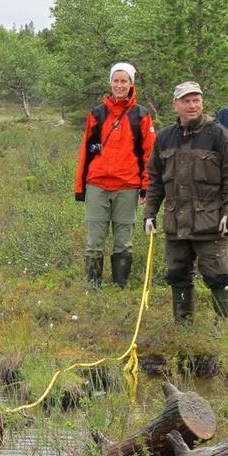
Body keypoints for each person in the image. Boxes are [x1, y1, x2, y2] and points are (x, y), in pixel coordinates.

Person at [143, 81, 228, 323]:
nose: (192, 105)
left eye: (196, 100)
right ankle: (183, 324)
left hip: (210, 222)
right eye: (186, 101)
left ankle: (225, 325)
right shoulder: (165, 137)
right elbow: (155, 179)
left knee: (217, 276)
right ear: (175, 105)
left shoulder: (218, 134)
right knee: (177, 274)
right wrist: (149, 213)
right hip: (175, 223)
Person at [75, 61, 156, 288]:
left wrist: (146, 188)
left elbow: (149, 155)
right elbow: (85, 152)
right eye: (116, 81)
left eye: (124, 81)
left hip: (127, 186)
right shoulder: (97, 114)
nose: (119, 85)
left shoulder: (141, 115)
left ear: (131, 84)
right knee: (94, 242)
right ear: (110, 83)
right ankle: (93, 288)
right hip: (97, 185)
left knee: (124, 242)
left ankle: (120, 287)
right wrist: (80, 187)